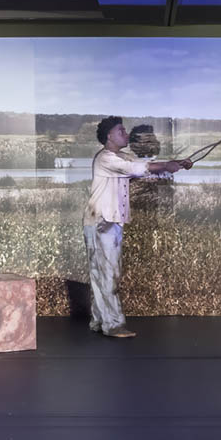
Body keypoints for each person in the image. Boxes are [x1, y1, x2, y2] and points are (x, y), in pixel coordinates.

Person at [84, 116, 192, 338]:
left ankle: (99, 321)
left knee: (102, 273)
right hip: (101, 222)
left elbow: (141, 172)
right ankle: (112, 325)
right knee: (108, 273)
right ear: (109, 136)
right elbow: (136, 168)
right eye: (121, 130)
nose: (126, 134)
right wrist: (166, 164)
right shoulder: (106, 158)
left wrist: (175, 165)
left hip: (106, 221)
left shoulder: (120, 157)